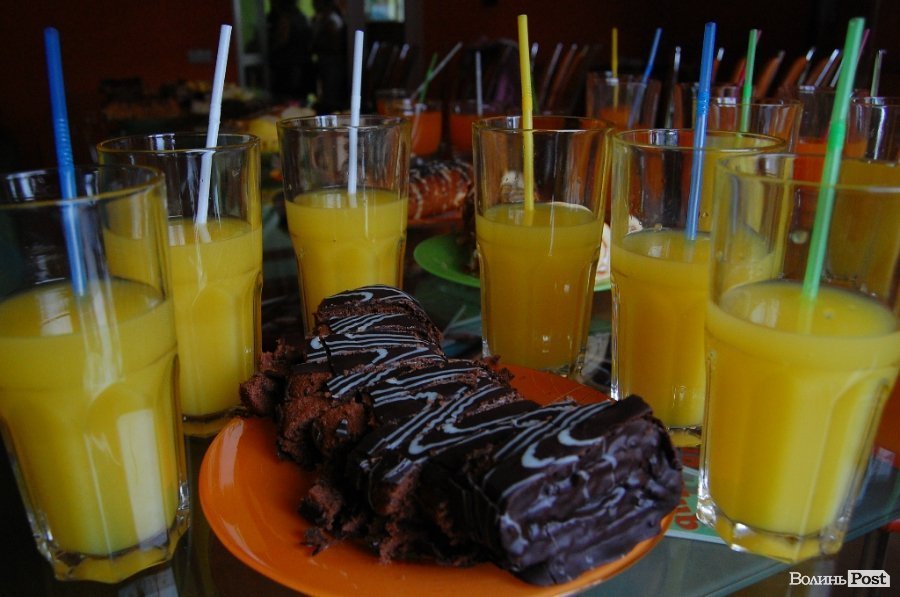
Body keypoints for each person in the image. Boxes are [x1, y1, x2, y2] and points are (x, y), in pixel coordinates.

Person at [267, 0, 316, 103]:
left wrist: (268, 48)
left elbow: (282, 40)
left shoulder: (286, 18)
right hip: (302, 66)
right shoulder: (302, 17)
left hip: (289, 68)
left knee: (289, 101)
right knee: (299, 101)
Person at [311, 0, 348, 113]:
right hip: (325, 62)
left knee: (331, 95)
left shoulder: (332, 19)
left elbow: (334, 44)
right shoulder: (322, 18)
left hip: (332, 63)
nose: (314, 4)